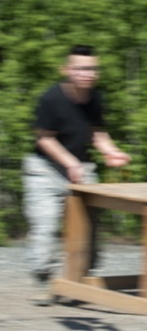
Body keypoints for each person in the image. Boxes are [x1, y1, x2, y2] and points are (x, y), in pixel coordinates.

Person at [22, 45, 131, 305]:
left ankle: (80, 281)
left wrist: (111, 152)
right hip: (45, 170)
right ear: (67, 70)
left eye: (92, 68)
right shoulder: (51, 98)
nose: (87, 73)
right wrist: (70, 163)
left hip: (82, 169)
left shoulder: (95, 98)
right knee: (45, 226)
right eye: (81, 68)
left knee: (89, 229)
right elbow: (45, 139)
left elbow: (96, 132)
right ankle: (44, 279)